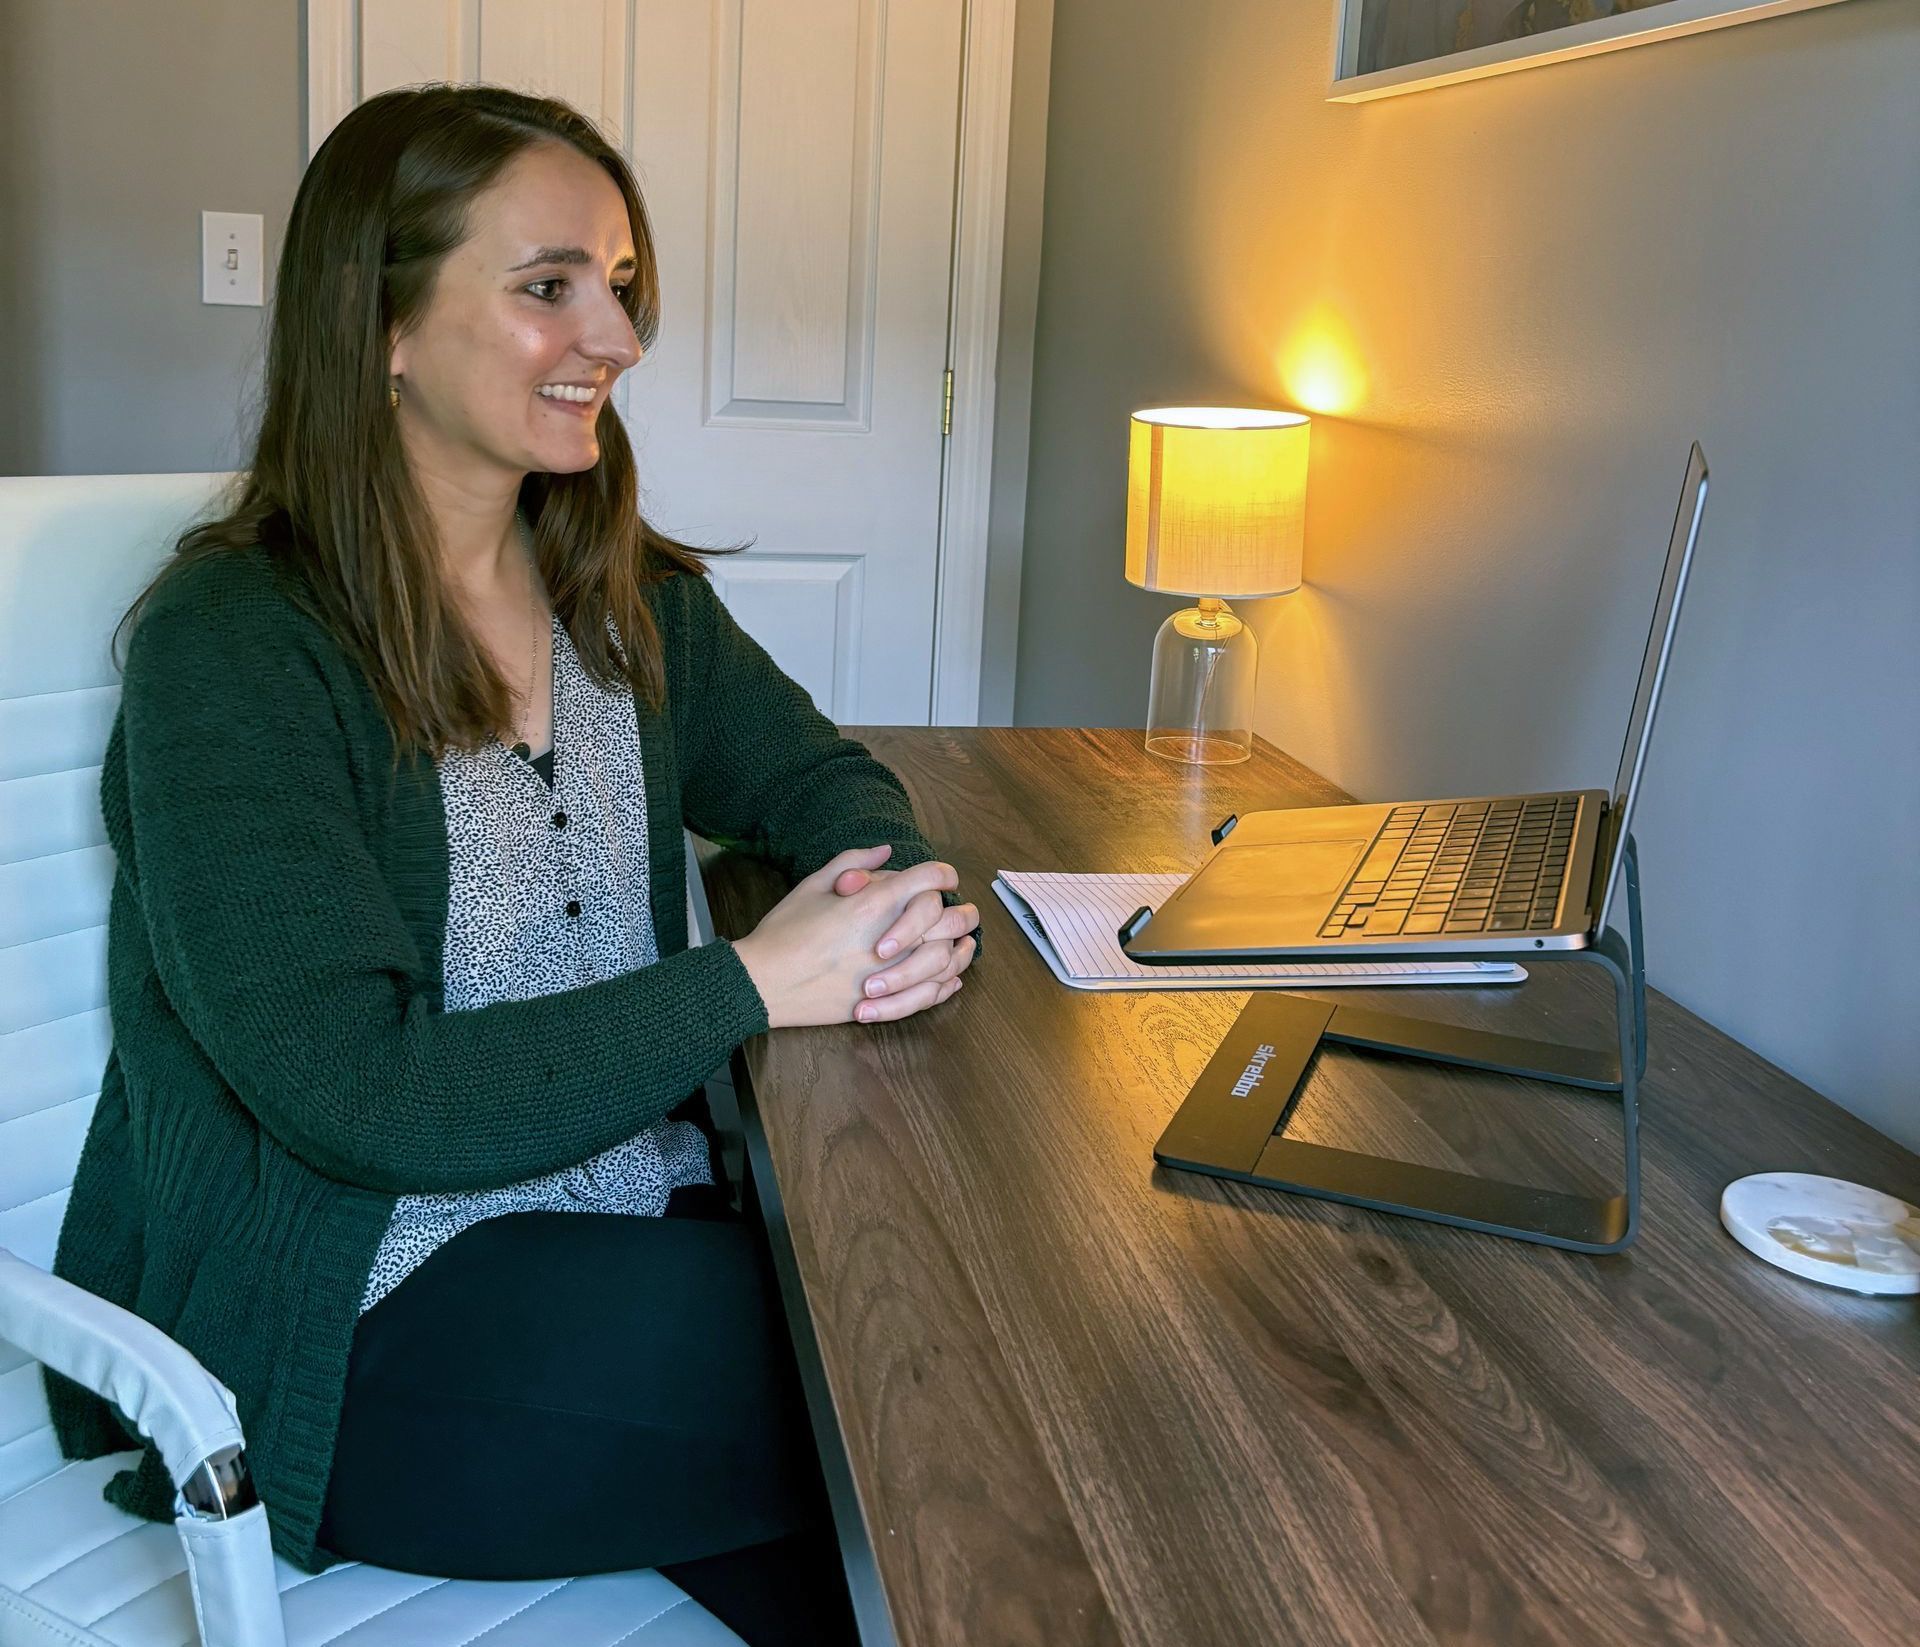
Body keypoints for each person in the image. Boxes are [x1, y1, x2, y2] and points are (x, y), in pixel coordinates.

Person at [46, 83, 978, 1645]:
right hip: (365, 1317)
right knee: (928, 1385)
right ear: (385, 326)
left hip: (635, 1229)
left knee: (918, 1536)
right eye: (550, 287)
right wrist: (753, 980)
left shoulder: (622, 593)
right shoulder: (240, 649)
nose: (612, 337)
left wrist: (885, 914)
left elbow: (831, 783)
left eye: (622, 288)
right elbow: (356, 1093)